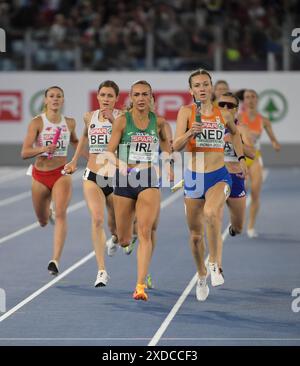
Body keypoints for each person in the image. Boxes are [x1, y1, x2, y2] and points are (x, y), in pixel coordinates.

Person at [173, 69, 247, 302]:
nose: (202, 88)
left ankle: (214, 263)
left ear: (212, 87)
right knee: (196, 237)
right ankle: (201, 274)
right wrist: (188, 134)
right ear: (191, 90)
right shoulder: (186, 112)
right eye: (197, 85)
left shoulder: (222, 114)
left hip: (218, 176)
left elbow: (235, 135)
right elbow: (175, 146)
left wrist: (242, 158)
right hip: (194, 178)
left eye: (206, 84)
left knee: (212, 213)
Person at [106, 80, 173, 301]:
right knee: (124, 239)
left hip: (148, 179)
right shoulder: (122, 122)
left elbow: (167, 151)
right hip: (124, 179)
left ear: (152, 98)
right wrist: (120, 164)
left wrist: (169, 168)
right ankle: (127, 238)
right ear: (131, 98)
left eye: (146, 94)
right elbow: (108, 153)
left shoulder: (160, 123)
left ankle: (140, 286)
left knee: (145, 232)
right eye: (137, 95)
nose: (141, 98)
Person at [63, 80, 121, 287]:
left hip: (115, 178)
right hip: (93, 175)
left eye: (110, 96)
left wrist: (113, 120)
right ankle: (101, 271)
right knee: (97, 219)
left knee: (117, 228)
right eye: (103, 95)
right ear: (97, 96)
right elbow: (85, 138)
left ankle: (115, 238)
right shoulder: (89, 116)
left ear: (116, 99)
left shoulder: (122, 117)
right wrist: (73, 160)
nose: (106, 99)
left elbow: (125, 141)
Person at [21, 86, 79, 275]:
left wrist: (80, 158)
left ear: (63, 101)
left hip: (61, 173)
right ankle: (48, 214)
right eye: (51, 96)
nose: (55, 99)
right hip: (40, 175)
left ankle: (55, 260)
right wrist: (43, 148)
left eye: (59, 96)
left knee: (61, 212)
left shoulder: (69, 123)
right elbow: (24, 152)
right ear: (45, 100)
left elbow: (76, 142)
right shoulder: (37, 123)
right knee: (43, 220)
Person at [238, 89, 281, 238]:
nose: (250, 100)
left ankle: (250, 227)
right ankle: (236, 220)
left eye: (253, 97)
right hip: (240, 158)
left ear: (257, 100)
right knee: (237, 193)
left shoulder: (263, 120)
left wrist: (275, 144)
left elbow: (273, 139)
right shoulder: (237, 118)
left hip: (255, 157)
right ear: (243, 101)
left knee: (255, 193)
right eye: (247, 97)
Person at [221, 92, 255, 240]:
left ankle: (233, 228)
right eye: (222, 105)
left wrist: (235, 142)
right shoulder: (210, 128)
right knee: (211, 214)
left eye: (230, 105)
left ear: (236, 109)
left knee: (239, 227)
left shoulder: (242, 129)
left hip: (235, 178)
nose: (226, 108)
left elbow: (252, 154)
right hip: (215, 176)